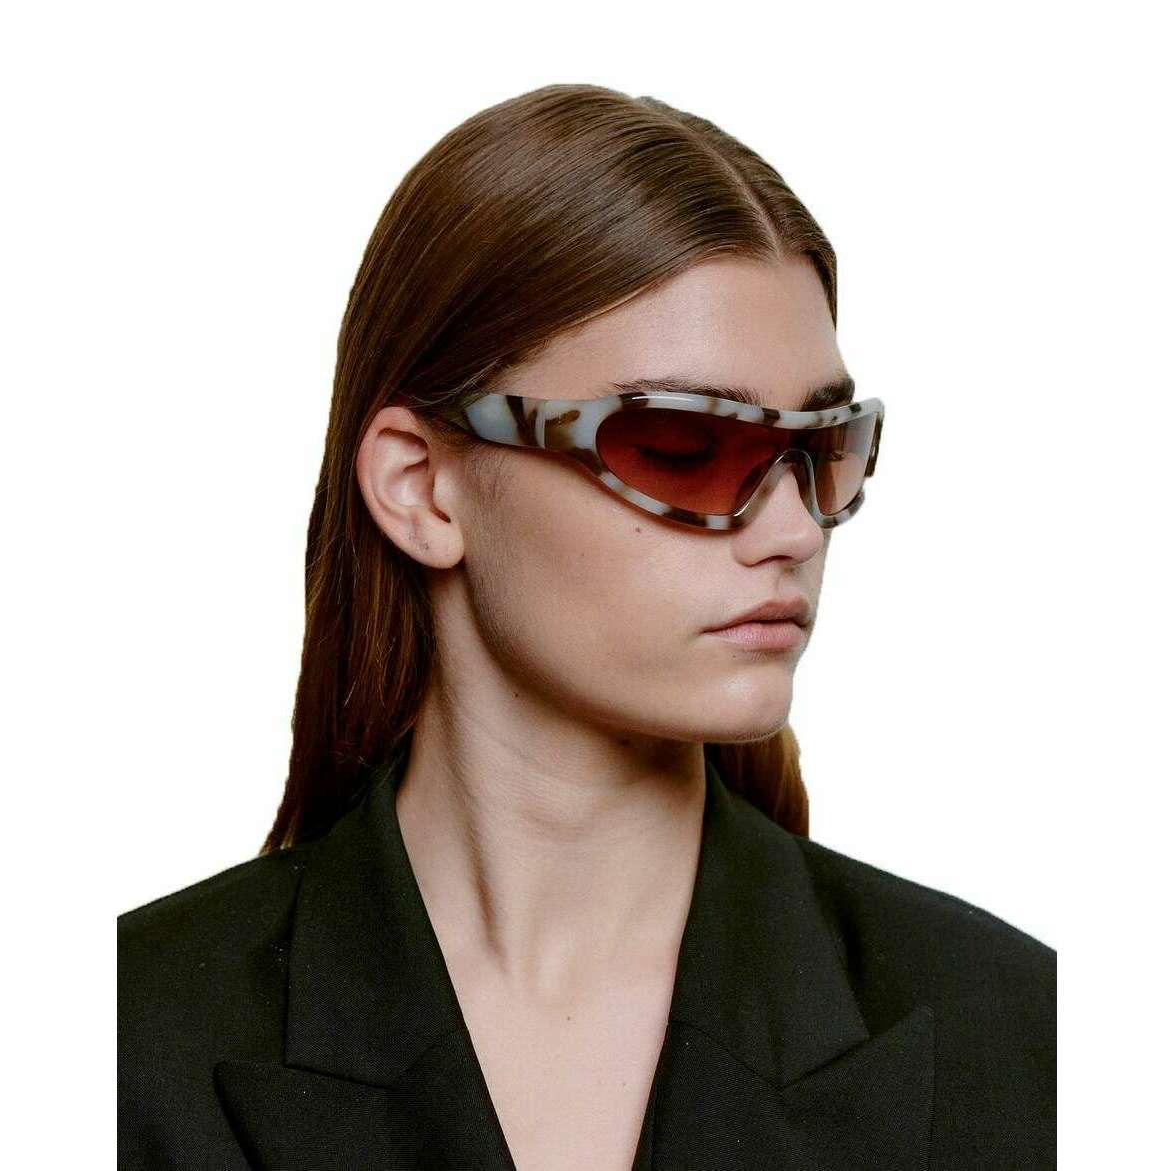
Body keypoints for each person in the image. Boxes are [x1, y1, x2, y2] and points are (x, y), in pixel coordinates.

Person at [118, 83, 1055, 1170]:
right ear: (420, 487)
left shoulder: (1023, 1038)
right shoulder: (110, 1046)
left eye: (821, 447)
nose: (795, 528)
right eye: (683, 447)